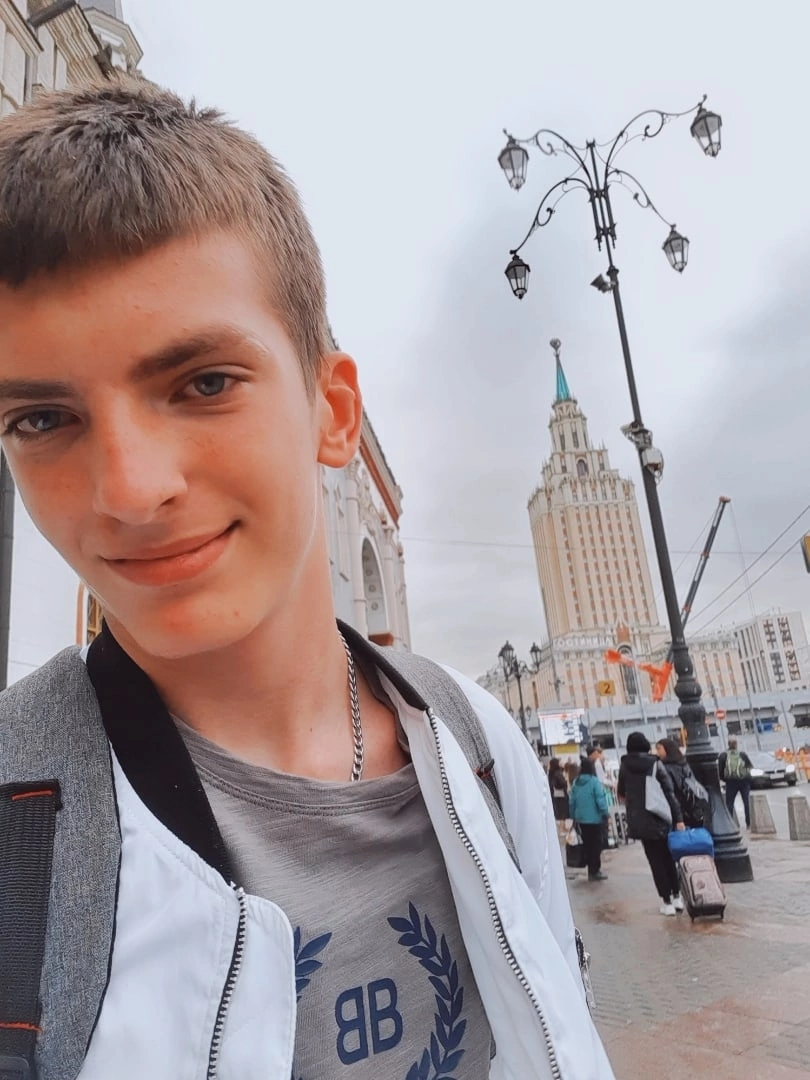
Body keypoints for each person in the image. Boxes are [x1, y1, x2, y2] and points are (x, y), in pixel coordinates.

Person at [0, 78, 614, 1079]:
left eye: (202, 383)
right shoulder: (18, 822)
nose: (130, 490)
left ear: (333, 412)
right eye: (41, 419)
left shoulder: (476, 744)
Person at [617, 732, 685, 916]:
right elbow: (669, 792)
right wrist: (678, 818)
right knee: (668, 857)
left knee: (655, 861)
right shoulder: (655, 764)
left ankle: (666, 902)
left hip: (640, 820)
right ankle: (677, 897)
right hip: (659, 816)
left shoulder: (625, 766)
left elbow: (621, 792)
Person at [568, 758, 609, 882]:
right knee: (596, 845)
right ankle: (594, 871)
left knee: (587, 844)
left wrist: (573, 816)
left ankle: (591, 870)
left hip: (581, 819)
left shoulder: (576, 783)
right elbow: (600, 800)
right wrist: (605, 813)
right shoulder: (594, 782)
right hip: (595, 819)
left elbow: (572, 802)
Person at [655, 737, 709, 828]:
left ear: (667, 749)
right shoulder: (684, 764)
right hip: (692, 808)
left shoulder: (665, 768)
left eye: (659, 749)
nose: (657, 752)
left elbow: (670, 793)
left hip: (678, 810)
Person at [718, 738, 754, 829]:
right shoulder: (742, 754)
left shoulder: (723, 756)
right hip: (744, 781)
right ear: (736, 745)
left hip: (731, 782)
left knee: (729, 803)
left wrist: (726, 779)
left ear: (728, 745)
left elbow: (720, 772)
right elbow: (750, 766)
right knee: (746, 802)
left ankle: (731, 825)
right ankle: (749, 824)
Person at [547, 756, 570, 837]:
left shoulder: (551, 772)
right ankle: (562, 829)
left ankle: (562, 828)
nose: (561, 763)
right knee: (562, 812)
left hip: (556, 795)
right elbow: (561, 783)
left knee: (559, 811)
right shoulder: (558, 773)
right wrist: (566, 781)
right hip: (561, 795)